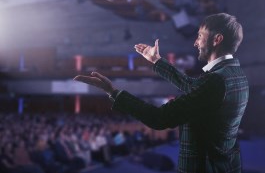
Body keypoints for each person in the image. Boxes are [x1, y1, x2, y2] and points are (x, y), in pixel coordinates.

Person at [74, 13, 249, 173]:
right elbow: (193, 86)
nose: (196, 42)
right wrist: (156, 61)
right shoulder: (236, 73)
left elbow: (159, 118)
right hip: (227, 164)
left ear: (217, 39)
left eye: (200, 36)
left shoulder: (215, 81)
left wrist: (113, 92)